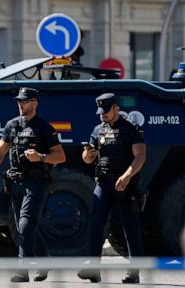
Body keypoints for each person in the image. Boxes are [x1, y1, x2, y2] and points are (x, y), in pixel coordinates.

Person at [0, 87, 66, 283]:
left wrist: (41, 157)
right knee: (25, 228)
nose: (21, 104)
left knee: (26, 224)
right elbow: (0, 152)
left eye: (25, 101)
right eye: (19, 101)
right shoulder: (12, 125)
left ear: (35, 103)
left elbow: (60, 156)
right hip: (16, 182)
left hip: (37, 181)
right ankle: (44, 262)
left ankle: (23, 269)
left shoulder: (44, 127)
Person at [78, 93, 146, 284]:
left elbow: (140, 157)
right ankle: (93, 269)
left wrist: (127, 176)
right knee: (95, 225)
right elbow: (87, 159)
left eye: (106, 111)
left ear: (116, 108)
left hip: (126, 185)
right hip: (103, 184)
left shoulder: (131, 129)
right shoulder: (98, 130)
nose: (103, 115)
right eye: (100, 112)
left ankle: (134, 272)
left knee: (130, 228)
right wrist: (88, 154)